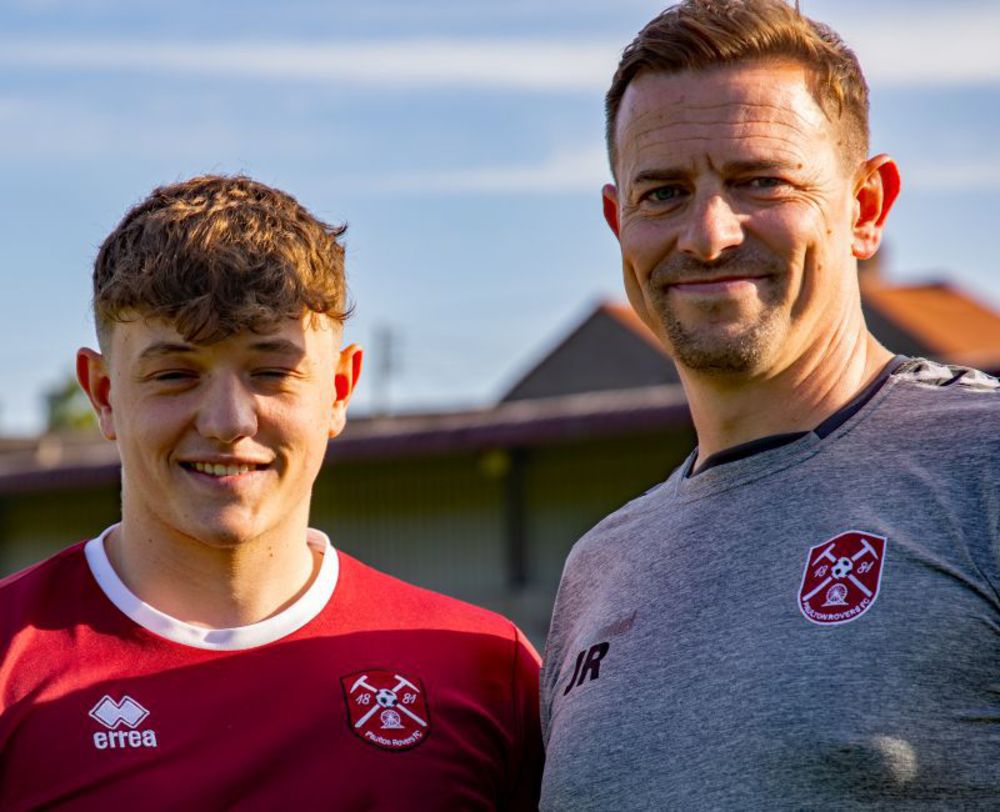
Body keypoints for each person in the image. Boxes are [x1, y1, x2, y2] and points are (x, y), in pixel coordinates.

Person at [540, 0, 1000, 808]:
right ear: (618, 223)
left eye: (760, 181)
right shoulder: (599, 570)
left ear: (866, 207)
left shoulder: (983, 468)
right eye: (664, 193)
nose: (708, 233)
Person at [0, 175, 542, 810]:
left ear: (339, 390)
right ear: (103, 393)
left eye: (271, 372)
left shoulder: (487, 671)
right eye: (175, 374)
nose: (229, 421)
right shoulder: (12, 661)